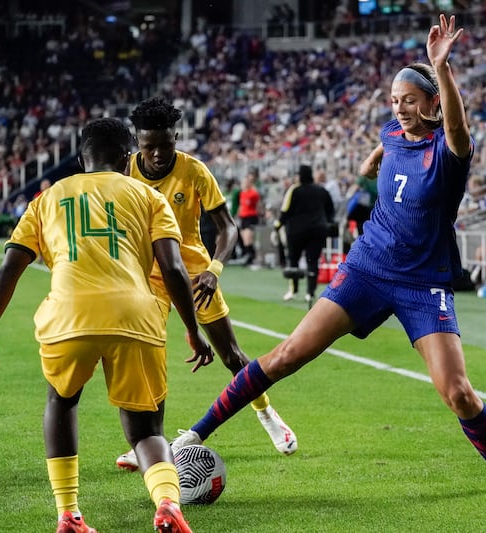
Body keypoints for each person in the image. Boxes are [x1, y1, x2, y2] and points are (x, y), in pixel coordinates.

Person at [166, 14, 486, 497]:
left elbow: (457, 128)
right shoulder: (392, 133)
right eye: (396, 101)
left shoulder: (449, 151)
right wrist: (372, 161)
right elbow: (384, 149)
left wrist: (443, 68)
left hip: (423, 284)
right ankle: (194, 434)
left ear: (433, 103)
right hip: (368, 268)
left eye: (411, 102)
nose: (401, 109)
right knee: (288, 355)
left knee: (457, 393)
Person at [0, 117, 213, 533]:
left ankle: (68, 514)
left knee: (61, 402)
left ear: (81, 158)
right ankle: (168, 504)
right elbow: (173, 268)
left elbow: (8, 269)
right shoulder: (148, 195)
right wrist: (194, 329)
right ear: (128, 158)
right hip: (135, 316)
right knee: (145, 428)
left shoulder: (47, 198)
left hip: (68, 317)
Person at [115, 97, 297, 473]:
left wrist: (214, 268)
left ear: (176, 137)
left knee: (231, 354)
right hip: (146, 274)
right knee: (146, 357)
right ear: (137, 143)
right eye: (150, 146)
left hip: (195, 273)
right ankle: (150, 442)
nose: (159, 153)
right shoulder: (124, 172)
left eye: (166, 144)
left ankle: (267, 414)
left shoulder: (195, 171)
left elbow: (228, 227)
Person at [277, 164, 335, 303]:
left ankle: (293, 290)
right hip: (318, 230)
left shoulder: (294, 190)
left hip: (296, 231)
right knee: (313, 261)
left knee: (293, 260)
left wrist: (278, 225)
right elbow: (330, 210)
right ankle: (310, 292)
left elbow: (285, 210)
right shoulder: (321, 190)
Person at [237, 170, 263, 266]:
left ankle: (251, 257)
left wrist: (260, 214)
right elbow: (241, 205)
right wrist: (238, 214)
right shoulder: (242, 193)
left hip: (251, 217)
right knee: (244, 239)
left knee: (248, 238)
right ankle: (249, 256)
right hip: (243, 217)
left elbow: (258, 205)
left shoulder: (253, 193)